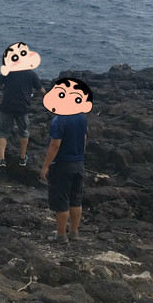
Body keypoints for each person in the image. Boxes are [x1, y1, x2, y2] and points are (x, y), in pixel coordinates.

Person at [39, 77, 94, 242]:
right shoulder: (82, 118)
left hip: (62, 165)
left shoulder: (59, 120)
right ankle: (74, 233)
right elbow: (84, 139)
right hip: (78, 163)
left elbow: (55, 145)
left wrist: (45, 166)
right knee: (75, 199)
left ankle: (61, 235)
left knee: (61, 200)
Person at [0, 42, 46, 169]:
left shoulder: (8, 71)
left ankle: (2, 159)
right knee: (24, 132)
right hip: (22, 107)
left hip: (7, 106)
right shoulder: (31, 73)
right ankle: (22, 158)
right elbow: (42, 91)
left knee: (3, 132)